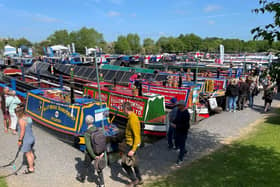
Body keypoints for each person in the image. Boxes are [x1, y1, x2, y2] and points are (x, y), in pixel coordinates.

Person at [77, 115, 105, 187]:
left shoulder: (87, 132)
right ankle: (102, 184)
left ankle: (82, 178)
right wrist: (102, 153)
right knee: (99, 167)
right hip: (98, 151)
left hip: (91, 153)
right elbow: (102, 142)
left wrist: (94, 156)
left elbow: (88, 147)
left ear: (86, 122)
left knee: (85, 165)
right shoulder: (97, 129)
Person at [122, 102, 143, 186]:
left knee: (124, 164)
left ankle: (134, 180)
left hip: (130, 145)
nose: (123, 112)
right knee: (134, 163)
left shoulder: (132, 120)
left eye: (123, 110)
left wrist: (133, 150)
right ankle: (140, 179)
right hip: (131, 143)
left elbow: (137, 136)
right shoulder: (131, 117)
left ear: (126, 110)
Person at [16, 104, 35, 174]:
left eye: (16, 113)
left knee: (27, 154)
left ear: (19, 113)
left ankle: (31, 168)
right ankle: (32, 165)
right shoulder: (28, 118)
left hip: (26, 139)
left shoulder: (21, 120)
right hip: (32, 138)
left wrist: (20, 140)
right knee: (31, 152)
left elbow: (22, 131)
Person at [173, 100, 190, 165]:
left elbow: (186, 126)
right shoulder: (178, 111)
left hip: (183, 131)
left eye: (179, 105)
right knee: (178, 142)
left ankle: (180, 159)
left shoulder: (186, 114)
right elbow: (176, 119)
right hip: (177, 130)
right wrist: (173, 122)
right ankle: (184, 151)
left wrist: (176, 126)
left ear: (182, 106)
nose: (177, 106)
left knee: (182, 144)